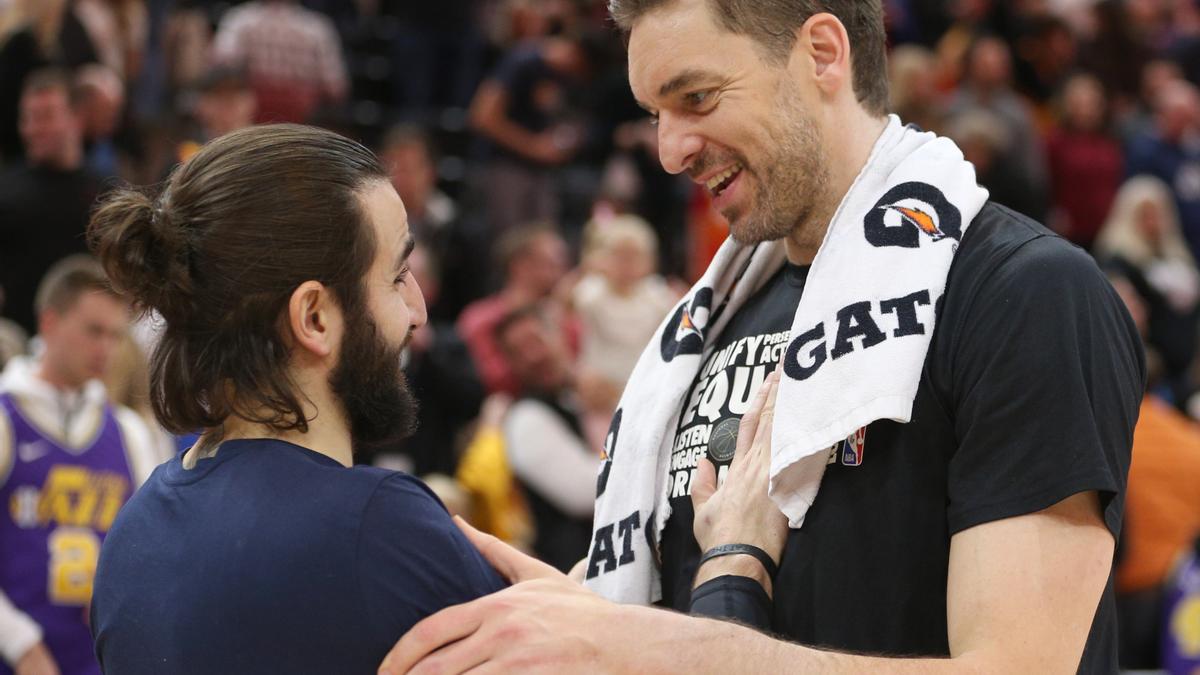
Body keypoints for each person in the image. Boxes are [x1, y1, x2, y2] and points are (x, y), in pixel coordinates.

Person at [379, 1, 1143, 673]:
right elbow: (700, 610)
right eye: (655, 112)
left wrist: (645, 651)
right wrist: (575, 611)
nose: (670, 149)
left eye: (698, 98)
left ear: (821, 53)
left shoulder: (1026, 294)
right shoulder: (710, 315)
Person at [87, 124, 505, 673]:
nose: (418, 311)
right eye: (398, 274)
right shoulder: (380, 529)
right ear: (314, 317)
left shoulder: (131, 533)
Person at [0, 255, 164, 675]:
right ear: (50, 322)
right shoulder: (6, 419)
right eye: (94, 331)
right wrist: (20, 644)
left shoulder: (130, 432)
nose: (105, 349)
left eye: (115, 335)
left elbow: (152, 554)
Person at [494, 305, 597, 573]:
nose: (533, 356)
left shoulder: (584, 395)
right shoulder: (525, 419)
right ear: (510, 364)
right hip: (579, 576)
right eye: (518, 352)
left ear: (560, 335)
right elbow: (587, 494)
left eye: (537, 340)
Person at [0, 68, 103, 335]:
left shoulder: (106, 193)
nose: (34, 129)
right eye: (28, 118)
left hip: (87, 345)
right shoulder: (5, 190)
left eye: (46, 117)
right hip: (14, 343)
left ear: (76, 118)